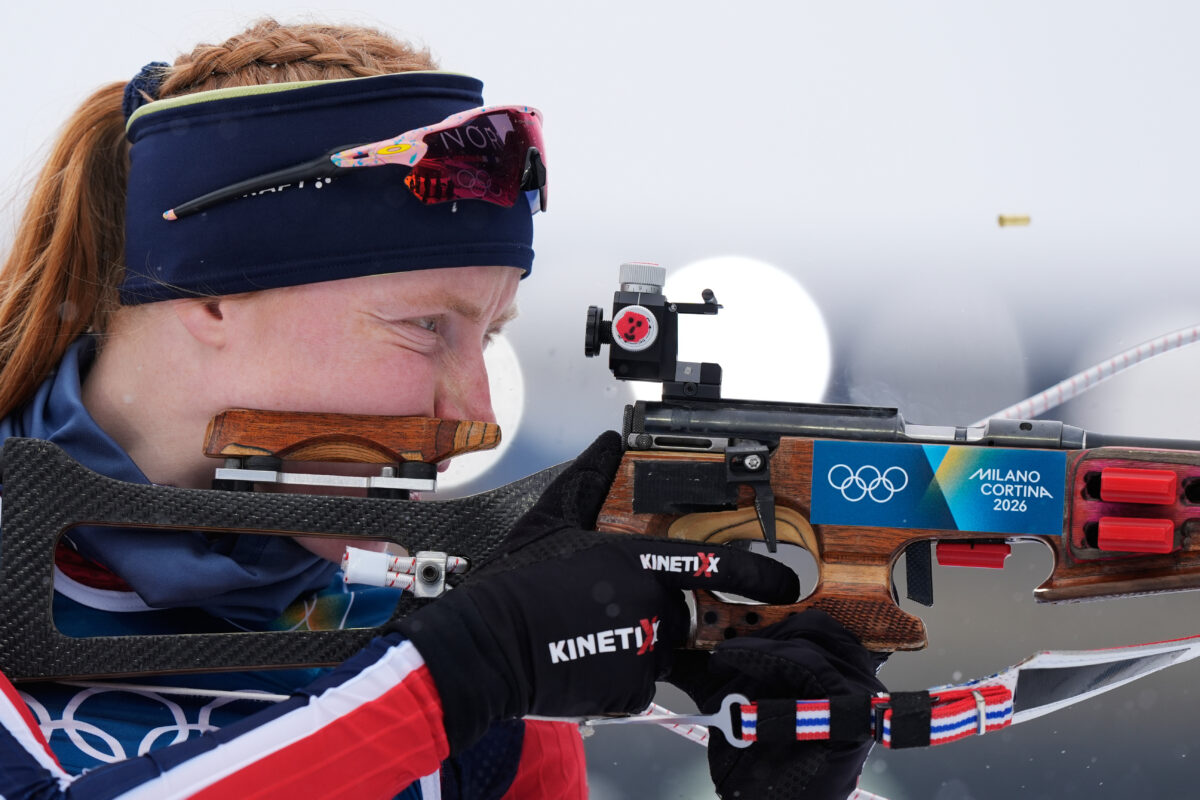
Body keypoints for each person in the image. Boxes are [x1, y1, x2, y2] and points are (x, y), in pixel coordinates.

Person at [0, 19, 883, 799]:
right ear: (208, 296)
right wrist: (448, 677)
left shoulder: (456, 654)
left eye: (489, 336)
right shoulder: (459, 661)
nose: (478, 412)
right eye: (425, 329)